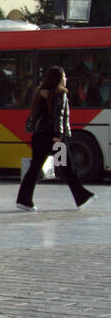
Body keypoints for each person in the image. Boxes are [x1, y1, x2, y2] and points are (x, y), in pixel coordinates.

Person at [16, 65, 96, 212]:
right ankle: (81, 197)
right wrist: (59, 136)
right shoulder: (61, 95)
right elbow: (59, 116)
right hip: (55, 138)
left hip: (40, 137)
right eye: (64, 76)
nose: (66, 79)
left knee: (36, 168)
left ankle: (24, 200)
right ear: (58, 79)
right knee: (68, 168)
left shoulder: (41, 94)